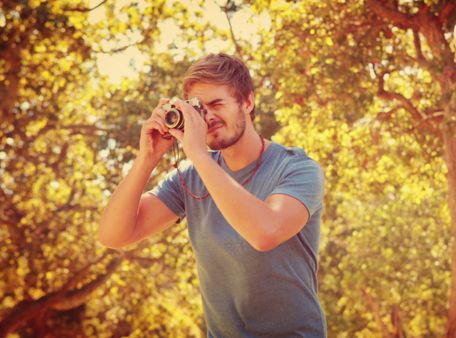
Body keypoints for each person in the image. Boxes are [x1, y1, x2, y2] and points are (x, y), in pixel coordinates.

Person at [97, 53, 326, 337]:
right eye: (198, 109)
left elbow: (265, 232)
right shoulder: (190, 179)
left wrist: (197, 152)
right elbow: (113, 235)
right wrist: (147, 158)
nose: (208, 117)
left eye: (217, 103)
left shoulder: (298, 168)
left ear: (248, 102)